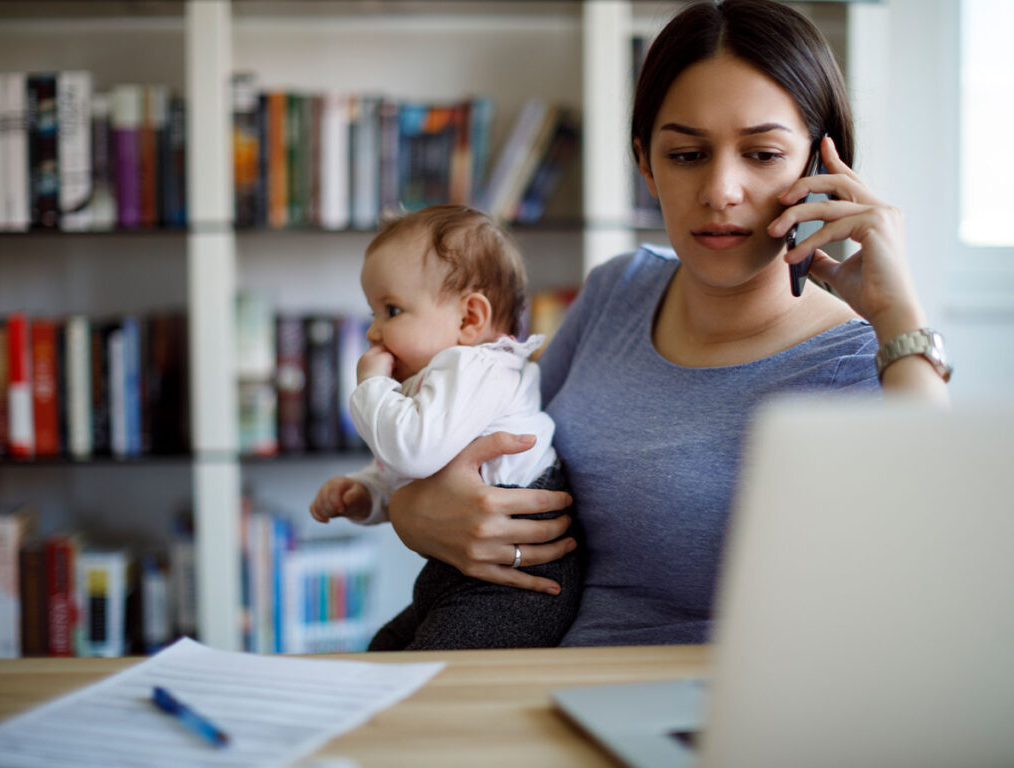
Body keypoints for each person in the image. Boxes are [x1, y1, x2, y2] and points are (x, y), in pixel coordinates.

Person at [381, 0, 952, 647]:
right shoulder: (618, 289)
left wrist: (899, 317)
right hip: (541, 684)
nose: (721, 190)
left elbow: (934, 566)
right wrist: (409, 509)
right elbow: (487, 443)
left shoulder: (864, 360)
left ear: (821, 168)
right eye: (687, 154)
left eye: (762, 153)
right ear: (646, 162)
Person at [309, 203, 583, 650]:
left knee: (432, 676)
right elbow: (420, 470)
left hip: (514, 584)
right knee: (384, 650)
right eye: (374, 313)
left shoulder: (477, 367)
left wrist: (371, 384)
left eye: (391, 310)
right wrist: (368, 492)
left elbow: (413, 451)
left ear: (469, 319)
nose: (373, 332)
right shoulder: (444, 376)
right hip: (461, 572)